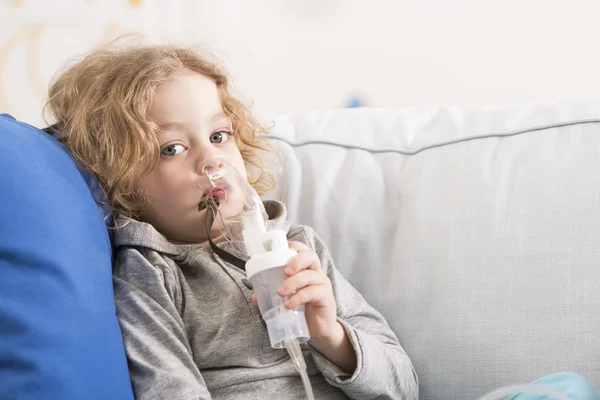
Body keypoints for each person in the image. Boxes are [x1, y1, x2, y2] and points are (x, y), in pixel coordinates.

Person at [45, 40, 419, 399]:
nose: (211, 161)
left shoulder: (299, 249)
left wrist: (331, 335)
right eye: (172, 149)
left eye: (219, 135)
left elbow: (404, 386)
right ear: (118, 184)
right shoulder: (150, 277)